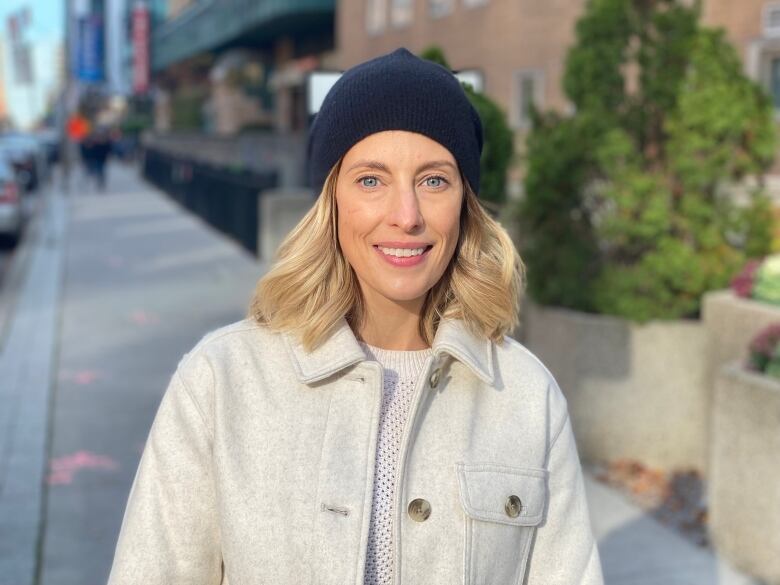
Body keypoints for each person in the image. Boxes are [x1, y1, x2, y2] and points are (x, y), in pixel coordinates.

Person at [107, 48, 604, 585]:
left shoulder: (525, 395)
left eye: (434, 180)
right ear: (331, 200)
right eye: (371, 180)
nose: (406, 215)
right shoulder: (221, 381)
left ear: (465, 204)